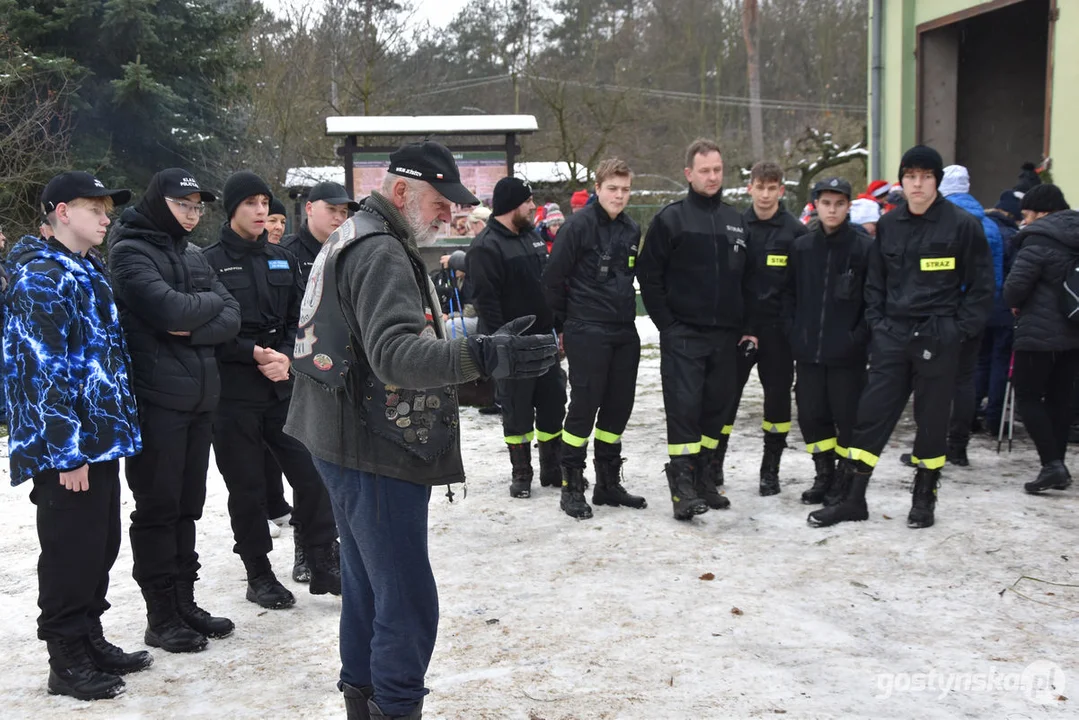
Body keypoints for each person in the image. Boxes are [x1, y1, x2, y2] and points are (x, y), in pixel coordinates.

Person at [284, 140, 558, 720]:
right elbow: (394, 355)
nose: (448, 214)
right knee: (406, 600)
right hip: (372, 443)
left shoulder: (354, 232)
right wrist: (481, 355)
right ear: (402, 192)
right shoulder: (381, 249)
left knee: (368, 588)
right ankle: (395, 707)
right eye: (440, 202)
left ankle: (364, 699)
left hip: (338, 434)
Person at [4, 172, 148, 700]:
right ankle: (65, 658)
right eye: (96, 209)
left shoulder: (85, 269)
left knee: (99, 545)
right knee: (70, 551)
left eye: (108, 210)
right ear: (62, 211)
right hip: (66, 449)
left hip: (100, 440)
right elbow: (41, 373)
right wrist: (67, 455)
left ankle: (89, 636)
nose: (107, 219)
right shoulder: (41, 277)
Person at [808, 145, 993, 529]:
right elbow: (875, 283)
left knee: (931, 421)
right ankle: (853, 499)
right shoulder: (890, 225)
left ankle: (923, 499)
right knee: (869, 417)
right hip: (893, 335)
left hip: (939, 336)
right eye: (910, 177)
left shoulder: (962, 226)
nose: (918, 184)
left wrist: (958, 331)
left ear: (937, 181)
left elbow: (981, 289)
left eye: (926, 177)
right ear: (902, 181)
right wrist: (879, 324)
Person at [109, 168, 241, 653]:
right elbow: (169, 313)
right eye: (183, 204)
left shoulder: (190, 253)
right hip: (158, 402)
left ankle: (185, 601)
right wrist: (197, 312)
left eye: (197, 206)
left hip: (200, 401)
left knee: (187, 507)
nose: (192, 213)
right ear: (158, 202)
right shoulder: (128, 251)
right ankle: (160, 614)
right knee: (158, 510)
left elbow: (231, 317)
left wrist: (196, 320)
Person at [202, 171, 340, 609]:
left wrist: (285, 356)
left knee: (313, 476)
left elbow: (303, 317)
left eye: (265, 203)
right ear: (232, 210)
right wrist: (253, 353)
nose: (261, 211)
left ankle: (322, 560)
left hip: (281, 387)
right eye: (251, 203)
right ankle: (258, 573)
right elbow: (206, 326)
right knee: (247, 488)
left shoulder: (281, 258)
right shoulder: (206, 261)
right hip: (234, 392)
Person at [637, 138, 756, 519]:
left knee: (715, 411)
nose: (712, 177)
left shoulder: (736, 220)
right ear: (689, 173)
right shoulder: (672, 219)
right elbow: (649, 275)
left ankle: (705, 478)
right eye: (705, 170)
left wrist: (747, 326)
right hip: (684, 333)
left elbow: (748, 281)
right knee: (684, 410)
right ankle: (682, 488)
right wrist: (668, 325)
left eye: (717, 170)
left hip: (725, 337)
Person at [542, 158, 646, 519]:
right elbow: (554, 279)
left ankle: (607, 483)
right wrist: (561, 326)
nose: (619, 196)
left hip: (623, 330)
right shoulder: (577, 227)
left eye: (625, 189)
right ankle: (572, 483)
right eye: (612, 189)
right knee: (584, 408)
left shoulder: (632, 229)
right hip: (586, 328)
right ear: (598, 187)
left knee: (619, 408)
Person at [469, 177, 567, 498]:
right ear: (512, 204)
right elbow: (487, 302)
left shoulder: (533, 236)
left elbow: (549, 286)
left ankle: (552, 469)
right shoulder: (486, 246)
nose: (533, 205)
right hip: (510, 347)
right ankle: (521, 473)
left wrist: (560, 325)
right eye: (528, 201)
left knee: (554, 403)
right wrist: (502, 343)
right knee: (516, 411)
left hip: (544, 341)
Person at [718, 161, 805, 497]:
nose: (766, 194)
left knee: (778, 404)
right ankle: (715, 465)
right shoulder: (737, 227)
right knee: (726, 399)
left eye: (773, 188)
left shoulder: (796, 232)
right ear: (749, 187)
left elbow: (800, 289)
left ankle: (771, 469)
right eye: (760, 186)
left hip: (778, 335)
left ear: (781, 190)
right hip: (739, 332)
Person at [783, 178, 872, 505]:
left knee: (847, 419)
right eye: (826, 203)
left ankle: (845, 479)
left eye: (838, 203)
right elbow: (789, 295)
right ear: (816, 206)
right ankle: (824, 474)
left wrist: (857, 338)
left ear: (848, 206)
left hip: (847, 356)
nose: (832, 210)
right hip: (808, 352)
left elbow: (872, 302)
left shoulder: (863, 248)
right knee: (811, 415)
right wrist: (794, 332)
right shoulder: (803, 248)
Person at [1003, 183, 1079, 493]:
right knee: (1061, 401)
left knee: (1028, 397)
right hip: (1075, 331)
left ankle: (1052, 465)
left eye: (1027, 215)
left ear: (1042, 212)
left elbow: (1014, 288)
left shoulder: (1037, 240)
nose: (1024, 221)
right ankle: (1056, 465)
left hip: (1037, 334)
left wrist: (1015, 302)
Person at [979, 191, 1022, 433]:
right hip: (1005, 310)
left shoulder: (979, 227)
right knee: (1000, 364)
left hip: (981, 307)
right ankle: (995, 420)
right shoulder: (1013, 237)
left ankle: (971, 413)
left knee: (980, 362)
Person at [282, 181, 359, 280]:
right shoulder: (287, 253)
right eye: (331, 209)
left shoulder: (350, 253)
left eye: (344, 212)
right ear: (309, 209)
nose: (339, 217)